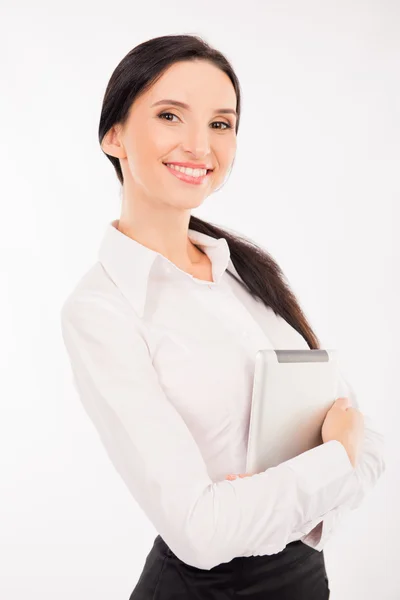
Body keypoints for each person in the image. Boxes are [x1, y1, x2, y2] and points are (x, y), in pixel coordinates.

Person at [60, 34, 386, 599]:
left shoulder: (248, 276)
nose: (199, 145)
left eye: (221, 124)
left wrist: (281, 489)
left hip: (306, 582)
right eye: (169, 115)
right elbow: (202, 534)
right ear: (114, 135)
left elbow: (371, 443)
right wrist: (335, 458)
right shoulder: (102, 310)